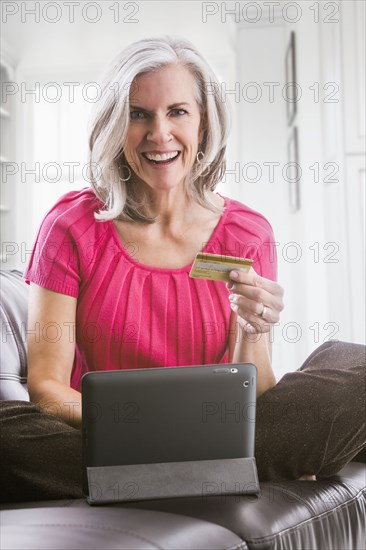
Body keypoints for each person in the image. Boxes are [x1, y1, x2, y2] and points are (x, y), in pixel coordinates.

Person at [1, 36, 365, 503]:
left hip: (211, 435)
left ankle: (184, 474)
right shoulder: (71, 226)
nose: (159, 133)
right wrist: (146, 425)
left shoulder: (247, 233)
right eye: (138, 114)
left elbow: (255, 391)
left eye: (177, 112)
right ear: (115, 125)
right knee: (7, 432)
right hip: (109, 441)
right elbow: (48, 388)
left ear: (204, 122)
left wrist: (253, 328)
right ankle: (242, 470)